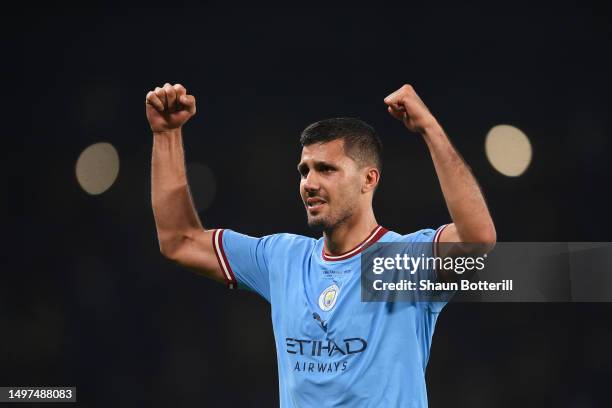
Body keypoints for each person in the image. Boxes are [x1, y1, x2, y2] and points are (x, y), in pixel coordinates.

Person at [145, 83, 496, 407]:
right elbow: (179, 241)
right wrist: (166, 134)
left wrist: (430, 129)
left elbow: (477, 238)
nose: (309, 183)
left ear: (368, 179)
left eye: (326, 169)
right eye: (304, 170)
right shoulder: (282, 258)